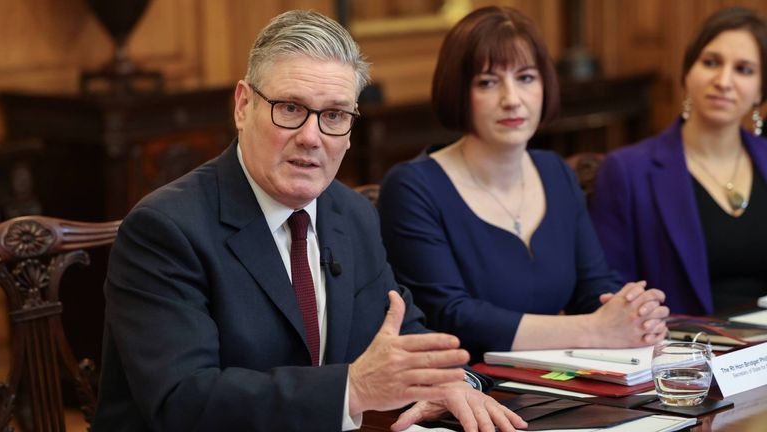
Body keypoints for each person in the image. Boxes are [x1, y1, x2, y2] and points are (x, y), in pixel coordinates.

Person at [92, 10, 527, 432]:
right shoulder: (165, 230)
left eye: (334, 115)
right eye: (290, 108)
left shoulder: (352, 214)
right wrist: (351, 390)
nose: (311, 137)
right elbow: (182, 401)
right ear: (243, 106)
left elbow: (401, 332)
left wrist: (451, 382)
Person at [378, 5, 668, 361]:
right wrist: (594, 329)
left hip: (560, 380)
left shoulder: (555, 172)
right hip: (467, 390)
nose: (512, 99)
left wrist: (633, 314)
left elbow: (593, 287)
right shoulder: (412, 187)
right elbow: (451, 316)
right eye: (488, 82)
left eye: (526, 78)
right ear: (458, 91)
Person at [590, 7, 767, 315]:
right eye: (711, 63)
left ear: (760, 92)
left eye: (744, 69)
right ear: (687, 73)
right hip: (682, 350)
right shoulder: (627, 171)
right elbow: (609, 292)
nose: (724, 81)